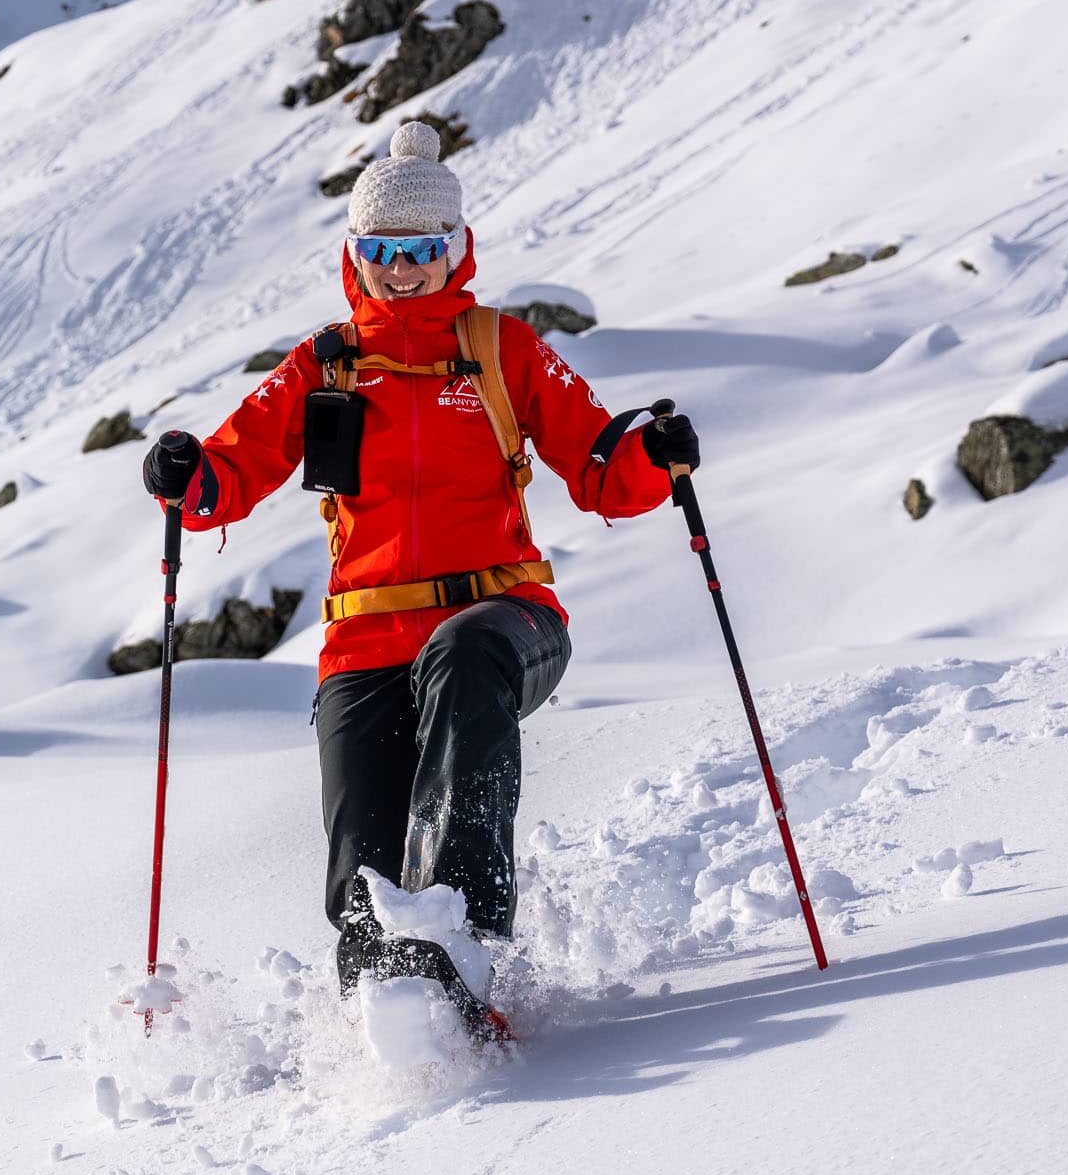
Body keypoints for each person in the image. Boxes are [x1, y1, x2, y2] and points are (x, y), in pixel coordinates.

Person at [141, 120, 698, 1030]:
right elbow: (229, 470)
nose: (403, 269)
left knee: (464, 653)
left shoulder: (500, 349)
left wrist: (654, 457)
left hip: (507, 620)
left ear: (456, 249)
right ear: (356, 255)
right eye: (383, 251)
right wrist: (185, 474)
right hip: (365, 641)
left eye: (423, 251)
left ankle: (462, 940)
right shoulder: (324, 365)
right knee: (360, 860)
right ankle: (387, 1009)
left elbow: (600, 465)